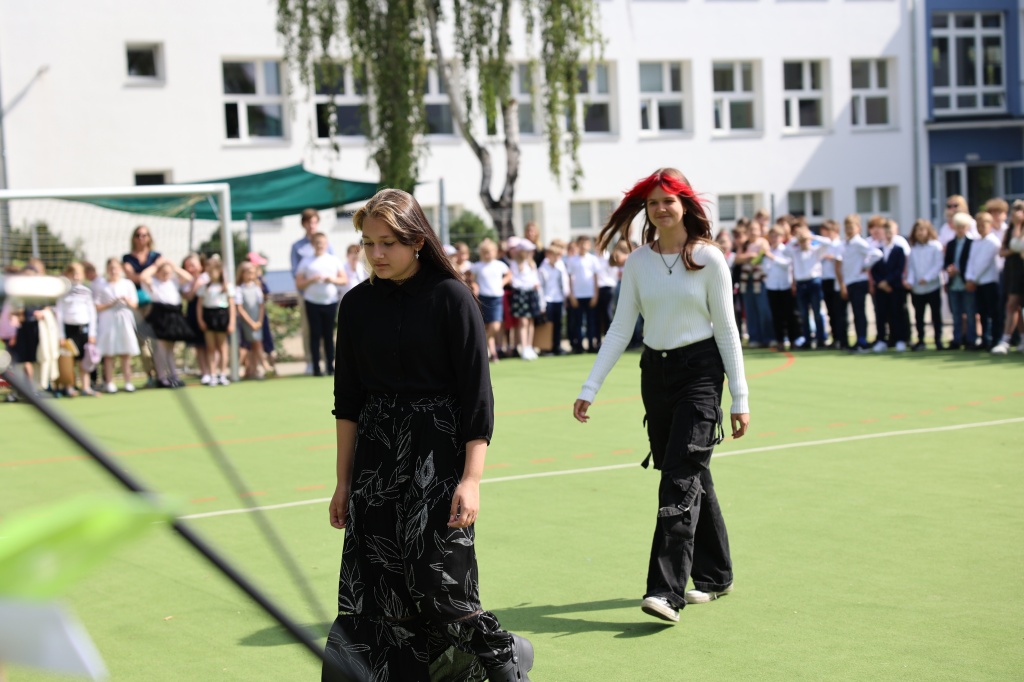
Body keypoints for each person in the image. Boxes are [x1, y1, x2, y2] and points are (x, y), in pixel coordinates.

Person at [324, 188, 533, 682]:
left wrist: (472, 479)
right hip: (376, 456)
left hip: (437, 451)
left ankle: (504, 656)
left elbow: (477, 396)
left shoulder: (452, 297)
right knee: (377, 584)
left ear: (417, 241)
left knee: (438, 579)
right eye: (368, 243)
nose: (376, 254)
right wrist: (343, 482)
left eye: (388, 243)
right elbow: (347, 402)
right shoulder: (355, 305)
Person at [572, 168, 749, 624]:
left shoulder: (709, 259)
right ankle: (717, 574)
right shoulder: (638, 263)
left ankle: (666, 591)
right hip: (655, 374)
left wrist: (740, 397)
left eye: (668, 200)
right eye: (652, 203)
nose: (660, 209)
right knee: (691, 474)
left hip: (701, 373)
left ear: (685, 204)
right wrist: (590, 387)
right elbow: (620, 328)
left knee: (678, 478)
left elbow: (727, 329)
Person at [295, 232, 347, 376]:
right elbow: (299, 283)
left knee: (329, 335)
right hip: (312, 302)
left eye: (322, 243)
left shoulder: (333, 260)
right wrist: (311, 280)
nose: (320, 245)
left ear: (327, 244)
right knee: (315, 335)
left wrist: (332, 280)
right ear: (313, 244)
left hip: (330, 302)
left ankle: (330, 366)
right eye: (317, 243)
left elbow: (344, 279)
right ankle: (316, 367)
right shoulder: (306, 261)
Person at [291, 208, 335, 374]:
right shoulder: (297, 246)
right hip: (307, 295)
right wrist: (309, 281)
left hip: (326, 296)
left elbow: (333, 265)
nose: (312, 225)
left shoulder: (326, 243)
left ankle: (328, 362)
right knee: (309, 330)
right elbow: (296, 272)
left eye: (315, 222)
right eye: (309, 222)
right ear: (304, 224)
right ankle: (311, 361)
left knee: (327, 332)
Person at [140, 257, 195, 388]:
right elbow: (143, 276)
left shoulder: (173, 281)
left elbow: (189, 278)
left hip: (173, 315)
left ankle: (173, 376)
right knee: (161, 348)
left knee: (170, 348)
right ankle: (162, 377)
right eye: (163, 272)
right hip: (160, 315)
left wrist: (173, 266)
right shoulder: (153, 282)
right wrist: (156, 265)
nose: (166, 275)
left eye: (168, 273)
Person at [94, 258, 140, 393]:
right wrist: (111, 303)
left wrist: (126, 301)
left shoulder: (127, 284)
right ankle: (109, 382)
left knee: (126, 352)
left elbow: (135, 304)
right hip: (108, 320)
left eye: (116, 268)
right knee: (108, 352)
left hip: (124, 319)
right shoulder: (101, 285)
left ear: (120, 269)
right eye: (111, 268)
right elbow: (96, 306)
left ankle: (128, 382)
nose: (113, 271)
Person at [122, 224, 160, 386]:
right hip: (136, 304)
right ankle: (150, 374)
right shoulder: (127, 258)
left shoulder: (156, 256)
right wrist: (148, 274)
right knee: (142, 341)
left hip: (155, 304)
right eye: (138, 235)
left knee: (157, 341)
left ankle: (161, 374)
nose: (141, 238)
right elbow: (132, 276)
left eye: (144, 235)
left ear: (149, 237)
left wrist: (144, 275)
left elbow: (161, 271)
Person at [55, 262, 99, 396]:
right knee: (68, 360)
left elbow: (92, 312)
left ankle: (86, 386)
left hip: (84, 328)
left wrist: (92, 333)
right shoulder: (63, 292)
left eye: (78, 273)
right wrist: (61, 335)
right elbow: (60, 313)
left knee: (84, 359)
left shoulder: (87, 291)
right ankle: (69, 386)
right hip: (69, 329)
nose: (76, 276)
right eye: (72, 274)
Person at [903, 219, 944, 351]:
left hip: (933, 287)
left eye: (922, 230)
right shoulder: (913, 249)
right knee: (918, 315)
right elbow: (911, 268)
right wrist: (910, 281)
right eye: (917, 231)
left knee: (935, 315)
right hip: (917, 289)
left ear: (928, 231)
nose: (920, 233)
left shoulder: (935, 246)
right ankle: (921, 340)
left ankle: (938, 340)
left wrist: (927, 278)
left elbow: (938, 265)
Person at [468, 239, 511, 363]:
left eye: (490, 251)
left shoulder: (499, 265)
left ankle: (480, 344)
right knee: (486, 326)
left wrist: (502, 283)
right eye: (485, 252)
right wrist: (475, 285)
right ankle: (493, 353)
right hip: (483, 298)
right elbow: (471, 279)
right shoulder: (477, 266)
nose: (487, 254)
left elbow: (509, 275)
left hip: (496, 298)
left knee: (495, 326)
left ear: (495, 251)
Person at [870, 219, 909, 352]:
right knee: (881, 315)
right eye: (886, 232)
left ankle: (900, 340)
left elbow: (899, 269)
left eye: (890, 232)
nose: (888, 234)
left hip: (895, 288)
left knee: (897, 314)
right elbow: (874, 270)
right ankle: (881, 340)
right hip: (880, 289)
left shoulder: (899, 250)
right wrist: (880, 283)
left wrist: (888, 282)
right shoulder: (877, 250)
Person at [965, 211, 1002, 349]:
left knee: (993, 312)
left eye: (983, 225)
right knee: (982, 312)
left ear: (990, 225)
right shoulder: (976, 242)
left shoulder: (993, 242)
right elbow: (971, 261)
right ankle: (985, 340)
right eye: (978, 225)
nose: (980, 228)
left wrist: (973, 279)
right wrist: (969, 278)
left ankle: (995, 339)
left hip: (990, 282)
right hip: (978, 283)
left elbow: (984, 263)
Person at [196, 256, 235, 386]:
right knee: (211, 348)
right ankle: (212, 374)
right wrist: (200, 320)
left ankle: (223, 374)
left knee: (223, 347)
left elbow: (232, 305)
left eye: (213, 271)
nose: (211, 274)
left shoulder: (226, 287)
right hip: (209, 315)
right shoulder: (204, 287)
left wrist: (231, 322)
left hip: (222, 315)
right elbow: (199, 305)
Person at [991, 199, 1024, 354]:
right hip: (1012, 271)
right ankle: (1016, 339)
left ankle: (1006, 340)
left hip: (1022, 271)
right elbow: (1003, 251)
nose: (1016, 214)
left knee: (1016, 305)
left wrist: (1018, 226)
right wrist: (1013, 250)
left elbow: (1017, 245)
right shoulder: (1009, 229)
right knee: (1013, 305)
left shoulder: (1017, 228)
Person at [762, 225, 802, 349]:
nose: (774, 239)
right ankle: (780, 340)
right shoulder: (767, 252)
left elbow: (786, 265)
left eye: (777, 236)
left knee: (790, 315)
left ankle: (793, 340)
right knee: (776, 315)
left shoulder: (785, 250)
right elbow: (765, 269)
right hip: (772, 287)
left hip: (786, 286)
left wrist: (772, 257)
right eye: (772, 236)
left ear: (782, 237)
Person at [944, 212, 976, 350]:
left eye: (962, 226)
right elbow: (946, 262)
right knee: (956, 314)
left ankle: (971, 340)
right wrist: (949, 269)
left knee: (970, 313)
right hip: (953, 283)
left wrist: (960, 271)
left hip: (966, 281)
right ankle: (957, 339)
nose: (960, 229)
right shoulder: (951, 244)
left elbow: (972, 262)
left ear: (967, 227)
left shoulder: (972, 243)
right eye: (958, 226)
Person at [508, 239, 544, 360]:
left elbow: (535, 278)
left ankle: (529, 346)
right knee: (523, 322)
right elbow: (514, 281)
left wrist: (535, 284)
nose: (530, 252)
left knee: (530, 321)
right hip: (521, 294)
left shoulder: (532, 263)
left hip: (532, 293)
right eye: (527, 250)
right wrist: (527, 285)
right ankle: (523, 347)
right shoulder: (514, 263)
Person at [565, 235, 601, 353]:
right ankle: (579, 345)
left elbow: (596, 278)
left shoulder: (593, 259)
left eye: (585, 244)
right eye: (581, 244)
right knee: (578, 322)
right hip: (577, 295)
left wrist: (595, 295)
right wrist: (572, 295)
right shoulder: (572, 260)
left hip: (590, 294)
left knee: (591, 322)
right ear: (577, 245)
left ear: (589, 246)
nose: (583, 246)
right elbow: (570, 278)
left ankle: (591, 344)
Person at [181, 253, 213, 384]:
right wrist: (195, 284)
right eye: (187, 266)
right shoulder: (186, 282)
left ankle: (213, 371)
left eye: (193, 265)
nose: (190, 268)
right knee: (199, 344)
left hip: (209, 312)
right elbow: (188, 296)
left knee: (211, 344)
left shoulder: (208, 277)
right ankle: (205, 372)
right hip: (194, 313)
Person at [235, 262, 267, 379]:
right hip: (246, 322)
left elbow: (261, 306)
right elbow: (240, 308)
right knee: (246, 347)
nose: (250, 275)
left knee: (256, 345)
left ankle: (254, 369)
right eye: (248, 273)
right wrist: (251, 322)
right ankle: (259, 366)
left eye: (252, 273)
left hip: (257, 320)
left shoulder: (257, 288)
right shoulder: (239, 289)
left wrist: (259, 321)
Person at [539, 240, 570, 356]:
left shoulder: (560, 267)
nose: (556, 257)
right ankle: (547, 347)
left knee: (558, 324)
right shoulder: (543, 268)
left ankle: (557, 346)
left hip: (558, 299)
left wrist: (565, 297)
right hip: (547, 299)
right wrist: (542, 304)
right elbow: (541, 287)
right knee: (548, 325)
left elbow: (564, 283)